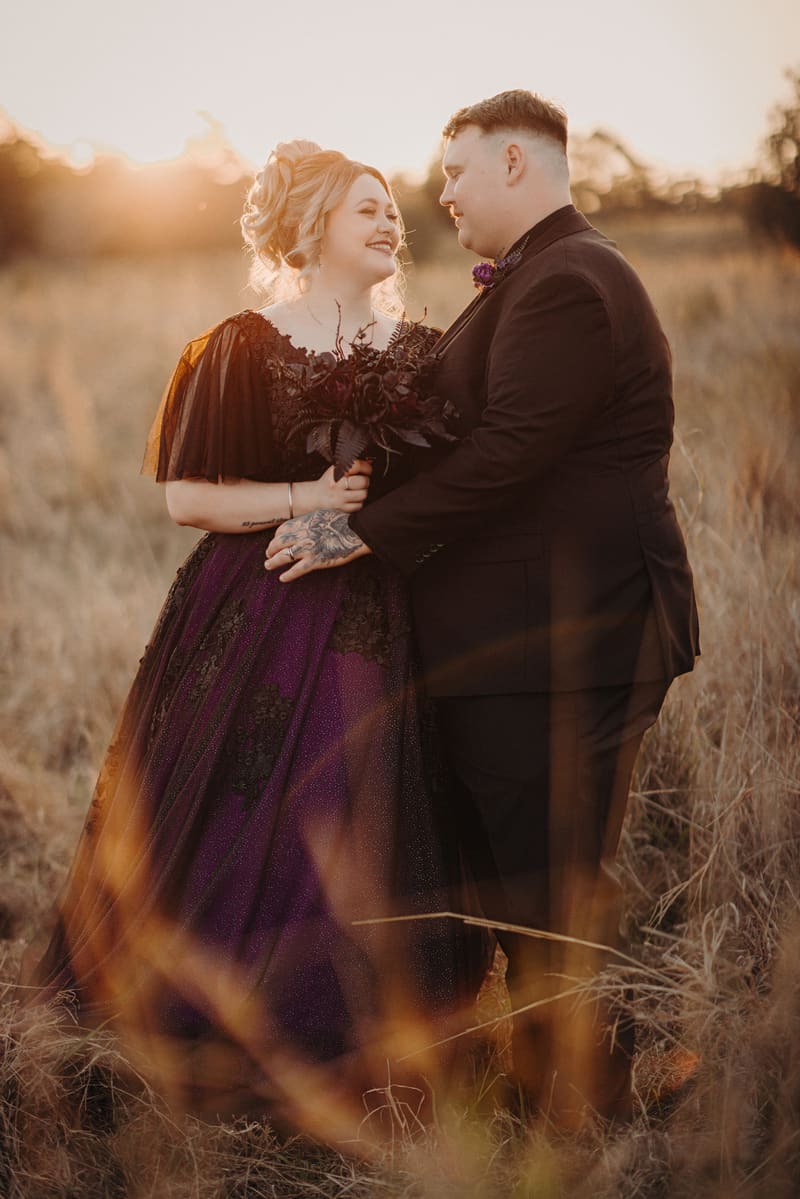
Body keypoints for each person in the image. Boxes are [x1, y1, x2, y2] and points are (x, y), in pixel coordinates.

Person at [22, 140, 487, 1134]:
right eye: (364, 208)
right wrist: (305, 499)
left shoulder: (426, 352)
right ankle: (207, 1033)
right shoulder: (238, 344)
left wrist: (365, 524)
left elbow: (455, 488)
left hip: (379, 615)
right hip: (253, 611)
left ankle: (350, 1047)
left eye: (388, 209)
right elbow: (185, 496)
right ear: (312, 224)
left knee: (355, 803)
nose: (387, 220)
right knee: (233, 812)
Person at [266, 92, 701, 1126]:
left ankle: (584, 1110)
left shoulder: (569, 281)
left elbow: (508, 453)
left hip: (568, 638)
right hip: (531, 637)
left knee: (540, 875)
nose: (441, 193)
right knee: (521, 875)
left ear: (514, 163)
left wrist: (354, 531)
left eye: (455, 171)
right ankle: (553, 1075)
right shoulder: (545, 276)